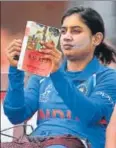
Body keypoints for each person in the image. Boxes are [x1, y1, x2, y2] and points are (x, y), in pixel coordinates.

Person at [3, 6, 116, 148]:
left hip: (80, 142)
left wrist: (57, 74)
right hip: (37, 142)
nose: (67, 36)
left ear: (96, 39)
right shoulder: (42, 75)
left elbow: (91, 115)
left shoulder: (107, 77)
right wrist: (15, 70)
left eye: (76, 31)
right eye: (63, 31)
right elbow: (16, 115)